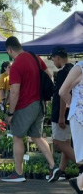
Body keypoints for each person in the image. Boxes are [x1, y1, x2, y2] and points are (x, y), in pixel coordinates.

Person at [2, 36, 60, 182]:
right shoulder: (35, 57)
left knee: (17, 136)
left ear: (9, 50)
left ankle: (18, 173)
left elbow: (14, 92)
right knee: (37, 136)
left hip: (24, 105)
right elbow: (49, 75)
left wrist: (10, 113)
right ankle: (54, 166)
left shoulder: (16, 66)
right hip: (40, 103)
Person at [58, 58, 83, 194]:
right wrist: (73, 104)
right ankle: (79, 182)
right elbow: (62, 91)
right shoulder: (79, 68)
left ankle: (79, 182)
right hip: (79, 117)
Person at [51, 47, 75, 181]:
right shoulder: (74, 70)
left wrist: (60, 115)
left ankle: (81, 166)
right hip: (72, 111)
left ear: (58, 58)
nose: (54, 62)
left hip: (61, 112)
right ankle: (61, 170)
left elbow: (62, 94)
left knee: (58, 142)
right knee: (66, 142)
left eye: (53, 59)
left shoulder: (62, 73)